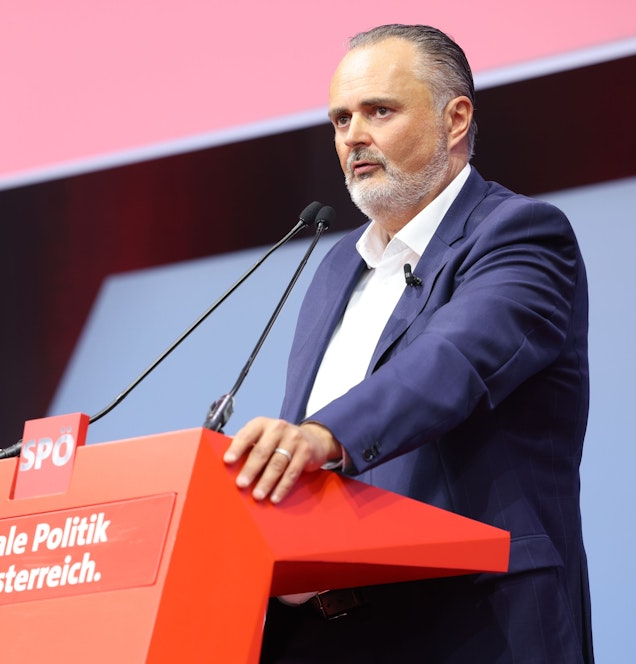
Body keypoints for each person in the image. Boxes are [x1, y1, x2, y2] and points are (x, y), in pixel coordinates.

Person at [222, 24, 593, 663]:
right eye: (340, 120)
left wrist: (321, 435)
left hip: (471, 626)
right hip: (323, 634)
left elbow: (453, 361)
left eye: (379, 111)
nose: (353, 137)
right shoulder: (338, 266)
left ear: (455, 119)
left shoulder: (521, 235)